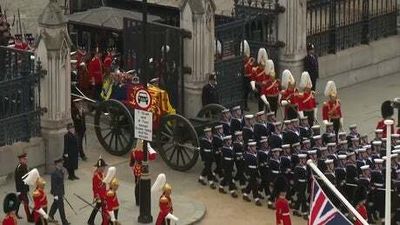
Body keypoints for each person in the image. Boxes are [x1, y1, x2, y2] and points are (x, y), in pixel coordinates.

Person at [48, 158, 70, 225]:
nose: (62, 164)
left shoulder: (60, 171)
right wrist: (56, 195)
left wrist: (63, 193)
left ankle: (50, 216)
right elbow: (54, 185)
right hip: (57, 193)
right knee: (61, 208)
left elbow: (63, 181)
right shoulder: (55, 173)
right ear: (58, 164)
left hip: (60, 192)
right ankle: (64, 222)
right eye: (61, 163)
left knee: (55, 205)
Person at [87, 157, 108, 225]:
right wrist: (97, 197)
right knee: (102, 209)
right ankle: (102, 222)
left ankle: (91, 220)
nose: (104, 168)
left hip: (103, 194)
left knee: (98, 208)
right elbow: (95, 188)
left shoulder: (102, 173)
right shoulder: (95, 176)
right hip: (99, 195)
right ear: (100, 167)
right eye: (103, 167)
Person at [14, 153, 33, 222]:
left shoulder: (23, 166)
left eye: (26, 159)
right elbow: (18, 181)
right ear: (20, 160)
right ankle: (29, 218)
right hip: (21, 189)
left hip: (23, 189)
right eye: (24, 159)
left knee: (19, 201)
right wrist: (19, 191)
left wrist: (27, 188)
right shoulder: (20, 168)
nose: (26, 160)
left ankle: (14, 213)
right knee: (26, 202)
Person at [129, 140, 144, 206]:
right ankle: (141, 199)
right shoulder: (144, 152)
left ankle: (137, 200)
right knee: (141, 185)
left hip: (136, 169)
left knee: (137, 184)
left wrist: (132, 166)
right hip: (142, 169)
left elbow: (131, 163)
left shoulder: (133, 152)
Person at [242, 40, 254, 111]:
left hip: (250, 78)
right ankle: (245, 105)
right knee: (245, 92)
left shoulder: (248, 61)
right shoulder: (244, 62)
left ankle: (251, 97)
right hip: (245, 78)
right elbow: (244, 69)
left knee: (249, 90)